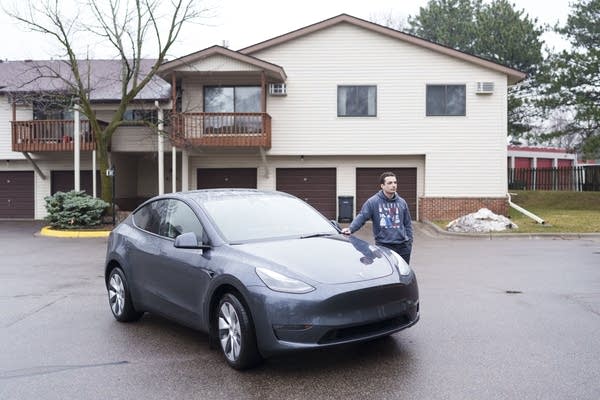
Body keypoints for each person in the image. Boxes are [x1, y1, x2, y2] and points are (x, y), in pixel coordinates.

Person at [342, 172, 413, 264]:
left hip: (403, 246)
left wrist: (409, 242)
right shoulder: (373, 202)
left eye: (395, 182)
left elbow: (407, 223)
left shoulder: (402, 202)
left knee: (403, 273)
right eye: (390, 183)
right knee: (388, 273)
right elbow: (362, 216)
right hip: (385, 245)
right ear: (382, 185)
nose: (393, 185)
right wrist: (351, 229)